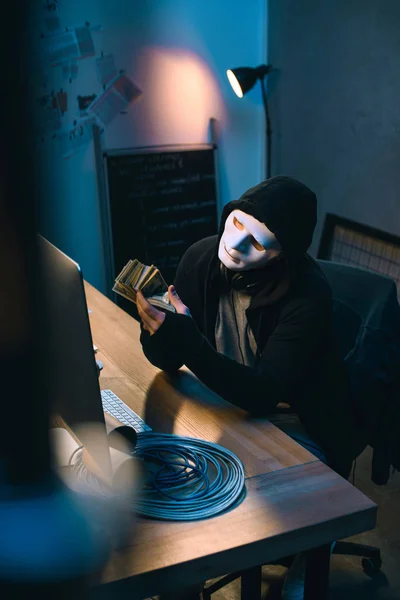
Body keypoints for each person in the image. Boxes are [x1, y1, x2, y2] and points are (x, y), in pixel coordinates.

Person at [137, 176, 358, 599]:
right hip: (224, 400)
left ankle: (309, 549)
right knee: (175, 491)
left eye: (257, 243)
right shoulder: (201, 257)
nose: (234, 245)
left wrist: (188, 342)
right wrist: (159, 332)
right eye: (236, 224)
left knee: (235, 505)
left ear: (281, 256)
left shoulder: (308, 295)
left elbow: (263, 393)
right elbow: (167, 361)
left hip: (295, 420)